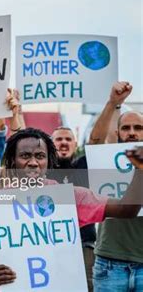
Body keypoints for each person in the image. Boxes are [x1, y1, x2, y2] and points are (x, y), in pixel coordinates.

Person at [0, 128, 143, 288]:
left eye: (40, 156)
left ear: (48, 161)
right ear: (12, 161)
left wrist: (140, 170)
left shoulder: (70, 197)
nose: (33, 162)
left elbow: (126, 210)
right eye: (25, 156)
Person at [88, 81, 143, 292]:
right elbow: (95, 141)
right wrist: (113, 103)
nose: (132, 132)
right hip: (110, 263)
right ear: (118, 132)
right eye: (126, 128)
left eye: (138, 128)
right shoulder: (107, 158)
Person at [50, 126, 95, 291]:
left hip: (84, 247)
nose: (63, 142)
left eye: (68, 139)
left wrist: (113, 104)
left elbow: (97, 142)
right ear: (50, 144)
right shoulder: (41, 170)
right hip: (50, 248)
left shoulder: (84, 167)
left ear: (75, 144)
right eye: (59, 139)